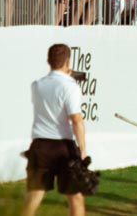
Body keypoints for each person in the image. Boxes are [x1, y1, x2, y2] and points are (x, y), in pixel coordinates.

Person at [21, 44, 88, 216]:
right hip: (63, 146)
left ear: (48, 61)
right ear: (67, 62)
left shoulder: (36, 85)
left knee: (34, 196)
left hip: (40, 144)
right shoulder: (70, 86)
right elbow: (76, 120)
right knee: (75, 197)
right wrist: (83, 151)